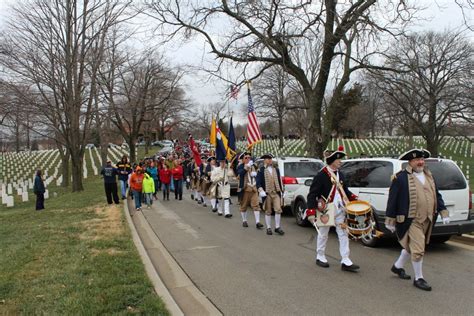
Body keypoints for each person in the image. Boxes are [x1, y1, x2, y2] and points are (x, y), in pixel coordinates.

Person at [385, 149, 450, 291]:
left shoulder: (429, 176)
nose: (420, 162)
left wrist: (443, 212)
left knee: (410, 247)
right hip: (411, 220)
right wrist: (390, 219)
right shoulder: (400, 178)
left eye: (422, 159)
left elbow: (436, 195)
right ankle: (418, 278)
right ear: (410, 162)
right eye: (417, 160)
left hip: (428, 218)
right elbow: (392, 199)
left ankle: (397, 267)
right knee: (419, 249)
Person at [306, 150, 359, 271]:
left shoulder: (340, 174)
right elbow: (312, 194)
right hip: (326, 209)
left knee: (343, 234)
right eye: (338, 160)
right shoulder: (321, 175)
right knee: (323, 234)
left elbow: (344, 190)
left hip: (340, 208)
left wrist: (354, 198)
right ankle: (320, 256)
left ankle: (345, 259)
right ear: (331, 161)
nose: (340, 161)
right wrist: (311, 211)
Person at [256, 153, 285, 235]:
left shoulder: (276, 169)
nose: (270, 160)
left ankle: (277, 227)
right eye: (268, 159)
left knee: (278, 209)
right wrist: (260, 190)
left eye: (271, 159)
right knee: (268, 211)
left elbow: (279, 181)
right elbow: (258, 182)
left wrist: (282, 191)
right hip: (267, 193)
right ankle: (268, 227)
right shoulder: (261, 170)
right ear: (265, 160)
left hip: (276, 192)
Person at [237, 152, 263, 228]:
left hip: (254, 188)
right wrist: (246, 167)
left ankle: (258, 222)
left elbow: (259, 175)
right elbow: (240, 173)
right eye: (246, 158)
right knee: (244, 206)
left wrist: (256, 175)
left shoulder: (254, 165)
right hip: (245, 189)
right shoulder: (240, 166)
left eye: (249, 157)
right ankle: (244, 220)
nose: (248, 159)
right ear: (243, 159)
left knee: (256, 205)